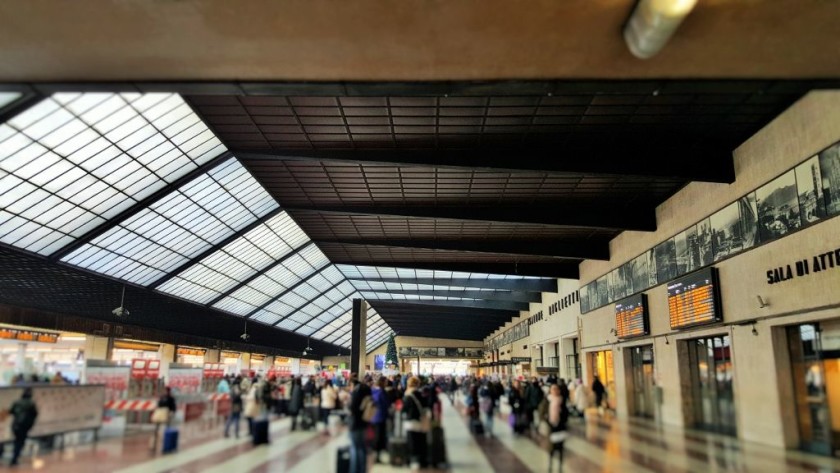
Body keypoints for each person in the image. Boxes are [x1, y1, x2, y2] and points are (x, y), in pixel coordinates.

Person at [402, 376, 428, 470]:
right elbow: (426, 405)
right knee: (420, 441)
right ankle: (420, 461)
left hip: (410, 421)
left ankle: (410, 461)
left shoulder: (407, 395)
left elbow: (404, 409)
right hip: (420, 420)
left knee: (411, 442)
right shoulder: (420, 394)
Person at [348, 374, 371, 473]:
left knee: (355, 449)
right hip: (364, 422)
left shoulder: (357, 392)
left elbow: (353, 408)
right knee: (362, 448)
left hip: (355, 423)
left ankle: (355, 470)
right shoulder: (367, 390)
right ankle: (362, 470)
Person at [8, 387, 38, 466]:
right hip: (24, 426)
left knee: (17, 441)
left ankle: (14, 458)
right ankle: (15, 458)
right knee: (20, 442)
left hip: (15, 425)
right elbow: (35, 414)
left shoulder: (17, 402)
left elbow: (11, 411)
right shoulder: (31, 403)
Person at [547, 384, 569, 473]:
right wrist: (546, 420)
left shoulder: (562, 401)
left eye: (556, 389)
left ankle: (560, 466)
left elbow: (566, 414)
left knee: (560, 448)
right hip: (551, 427)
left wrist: (562, 417)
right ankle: (550, 465)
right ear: (550, 391)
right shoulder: (548, 400)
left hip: (560, 427)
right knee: (551, 448)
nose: (555, 391)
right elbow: (542, 411)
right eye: (553, 389)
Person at [371, 376, 390, 463]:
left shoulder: (372, 391)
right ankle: (377, 455)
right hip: (381, 416)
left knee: (375, 436)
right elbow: (386, 404)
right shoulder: (382, 392)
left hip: (373, 416)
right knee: (380, 436)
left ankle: (375, 454)